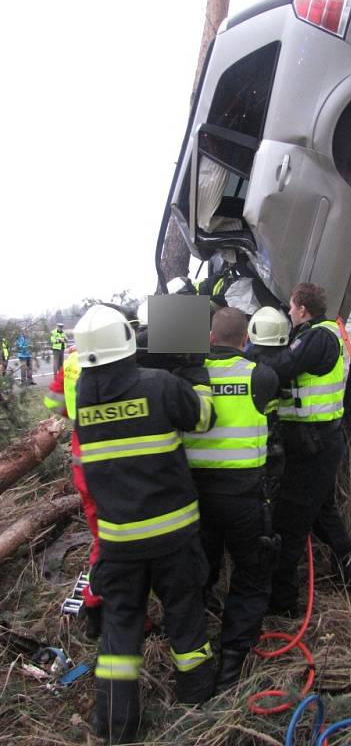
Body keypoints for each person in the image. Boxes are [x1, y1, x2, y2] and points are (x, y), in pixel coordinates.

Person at [74, 304, 216, 744]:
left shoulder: (83, 394)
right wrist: (194, 372)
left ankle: (116, 725)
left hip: (118, 541)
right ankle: (197, 699)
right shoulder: (160, 385)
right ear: (129, 341)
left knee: (120, 631)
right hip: (173, 534)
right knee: (185, 616)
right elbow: (204, 419)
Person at [247, 284, 351, 617]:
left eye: (292, 306)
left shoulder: (319, 337)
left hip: (315, 444)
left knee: (290, 523)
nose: (289, 312)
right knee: (324, 514)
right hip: (317, 441)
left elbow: (283, 367)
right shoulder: (319, 333)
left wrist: (249, 353)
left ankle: (283, 604)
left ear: (301, 307)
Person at [183, 306, 279, 692]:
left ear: (209, 338)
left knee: (198, 571)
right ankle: (233, 662)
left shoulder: (188, 376)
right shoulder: (262, 376)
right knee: (252, 576)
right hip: (244, 498)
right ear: (245, 339)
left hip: (196, 498)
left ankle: (194, 648)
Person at [44, 347, 103, 637]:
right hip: (110, 464)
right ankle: (97, 605)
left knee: (100, 539)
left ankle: (98, 603)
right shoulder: (113, 356)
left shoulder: (72, 359)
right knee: (111, 544)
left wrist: (76, 411)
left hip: (84, 462)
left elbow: (52, 401)